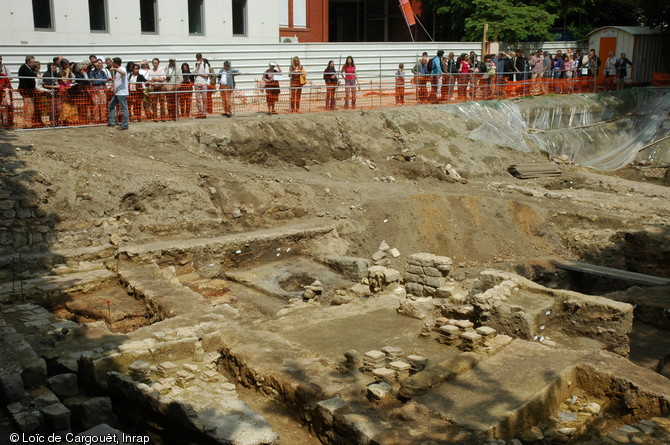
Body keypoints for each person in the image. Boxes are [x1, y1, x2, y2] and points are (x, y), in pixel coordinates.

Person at [18, 55, 44, 127]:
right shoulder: (24, 67)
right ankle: (27, 123)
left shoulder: (28, 68)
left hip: (29, 91)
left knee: (30, 107)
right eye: (32, 62)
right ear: (28, 62)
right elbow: (29, 74)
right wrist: (36, 75)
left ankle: (28, 122)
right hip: (26, 90)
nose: (33, 64)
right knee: (28, 107)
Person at [107, 57, 129, 130]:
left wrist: (115, 69)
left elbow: (124, 73)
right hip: (117, 93)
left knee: (124, 109)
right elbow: (118, 80)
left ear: (116, 63)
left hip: (122, 93)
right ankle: (112, 122)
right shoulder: (118, 71)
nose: (112, 64)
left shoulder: (122, 69)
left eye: (113, 62)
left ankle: (125, 125)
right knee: (111, 105)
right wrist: (112, 80)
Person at [89, 59, 109, 123]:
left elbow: (106, 80)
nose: (97, 67)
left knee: (103, 103)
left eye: (99, 65)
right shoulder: (91, 72)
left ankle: (103, 117)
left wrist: (99, 80)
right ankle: (96, 118)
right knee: (96, 104)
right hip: (95, 89)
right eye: (96, 66)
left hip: (102, 89)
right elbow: (93, 81)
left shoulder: (103, 72)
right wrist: (100, 80)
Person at [193, 53, 210, 118]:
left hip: (203, 83)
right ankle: (200, 111)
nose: (198, 59)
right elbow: (194, 73)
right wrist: (197, 65)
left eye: (199, 58)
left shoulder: (205, 65)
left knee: (204, 98)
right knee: (198, 99)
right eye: (197, 58)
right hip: (197, 82)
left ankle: (204, 112)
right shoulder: (195, 64)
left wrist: (199, 74)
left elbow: (206, 75)